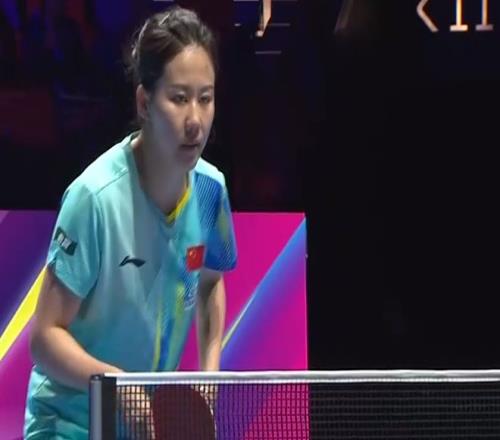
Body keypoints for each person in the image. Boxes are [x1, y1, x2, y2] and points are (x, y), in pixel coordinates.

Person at [24, 6, 237, 439]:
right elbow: (44, 337)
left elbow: (211, 283)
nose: (195, 121)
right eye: (179, 98)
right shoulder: (95, 199)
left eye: (205, 98)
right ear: (144, 102)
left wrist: (209, 374)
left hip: (144, 429)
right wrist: (112, 382)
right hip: (68, 424)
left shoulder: (210, 190)